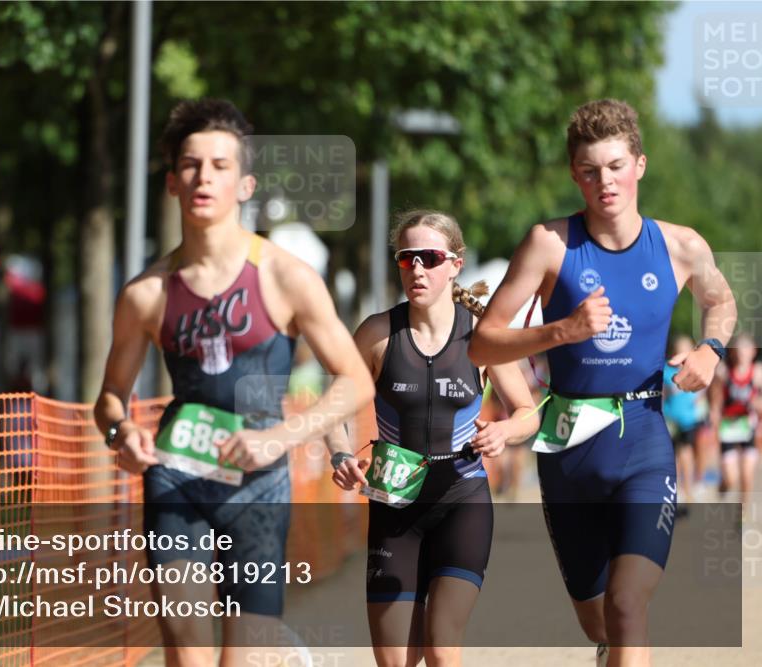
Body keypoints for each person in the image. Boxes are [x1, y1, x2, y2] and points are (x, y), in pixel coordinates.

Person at [93, 99, 374, 667]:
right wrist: (121, 431)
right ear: (172, 182)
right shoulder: (145, 293)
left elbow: (354, 382)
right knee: (187, 652)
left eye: (221, 166)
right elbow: (109, 397)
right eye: (192, 165)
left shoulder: (287, 277)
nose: (204, 177)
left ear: (245, 184)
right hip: (178, 479)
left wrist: (282, 437)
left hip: (259, 490)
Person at [468, 99, 736, 666]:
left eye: (615, 166)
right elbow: (484, 343)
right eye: (590, 170)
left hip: (642, 440)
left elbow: (721, 301)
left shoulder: (680, 246)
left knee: (626, 603)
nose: (604, 182)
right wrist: (561, 329)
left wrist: (711, 351)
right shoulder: (548, 244)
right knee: (599, 621)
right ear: (574, 174)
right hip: (567, 452)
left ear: (640, 164)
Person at [328, 210, 539, 667]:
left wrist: (505, 430)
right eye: (407, 259)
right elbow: (333, 409)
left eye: (430, 257)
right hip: (393, 507)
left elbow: (527, 413)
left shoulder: (482, 337)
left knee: (442, 651)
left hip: (461, 502)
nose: (418, 269)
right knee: (395, 660)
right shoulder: (378, 333)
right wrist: (340, 453)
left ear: (455, 264)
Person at [709, 332, 760, 507]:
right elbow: (715, 399)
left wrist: (756, 403)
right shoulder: (724, 372)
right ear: (733, 352)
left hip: (749, 426)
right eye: (739, 350)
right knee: (731, 478)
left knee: (747, 474)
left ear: (753, 351)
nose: (742, 353)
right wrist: (714, 414)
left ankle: (743, 512)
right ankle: (724, 485)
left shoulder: (758, 373)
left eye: (746, 349)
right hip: (728, 426)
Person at [662, 335, 708, 509]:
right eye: (679, 348)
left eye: (686, 348)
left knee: (687, 452)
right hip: (671, 418)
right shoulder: (667, 371)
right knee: (673, 456)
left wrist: (701, 402)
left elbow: (703, 387)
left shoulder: (695, 368)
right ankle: (677, 490)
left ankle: (688, 489)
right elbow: (663, 394)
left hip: (689, 418)